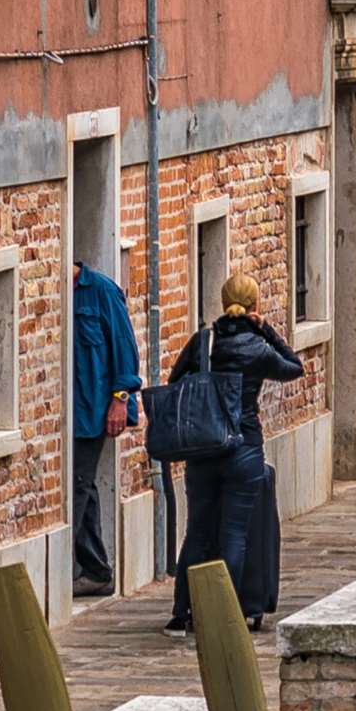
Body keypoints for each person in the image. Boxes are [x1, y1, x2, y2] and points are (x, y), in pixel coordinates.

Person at [164, 274, 303, 631]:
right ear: (255, 305)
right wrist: (267, 329)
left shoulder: (205, 342)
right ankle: (225, 615)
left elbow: (174, 383)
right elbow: (293, 367)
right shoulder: (257, 348)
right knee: (234, 533)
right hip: (243, 447)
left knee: (197, 530)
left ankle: (182, 613)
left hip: (204, 447)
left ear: (223, 302)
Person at [70, 255, 141, 599]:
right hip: (68, 414)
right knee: (85, 487)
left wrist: (121, 399)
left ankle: (86, 567)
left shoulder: (101, 291)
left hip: (94, 410)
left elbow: (125, 348)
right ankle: (97, 569)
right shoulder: (58, 296)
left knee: (77, 485)